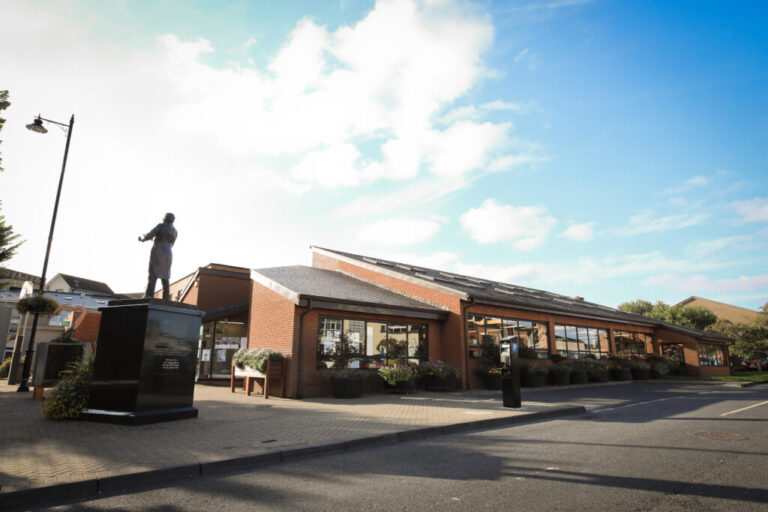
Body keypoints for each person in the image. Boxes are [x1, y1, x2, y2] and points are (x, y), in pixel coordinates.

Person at [139, 213, 177, 300]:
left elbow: (150, 235)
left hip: (158, 251)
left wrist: (142, 238)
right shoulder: (175, 231)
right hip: (168, 254)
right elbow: (172, 243)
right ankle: (166, 298)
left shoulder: (161, 226)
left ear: (164, 218)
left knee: (153, 274)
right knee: (165, 276)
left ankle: (149, 295)